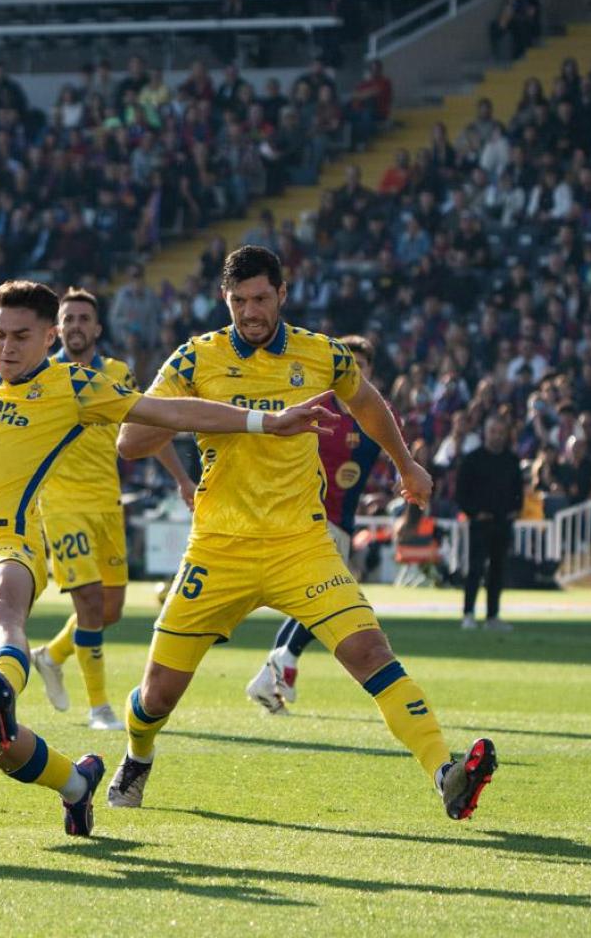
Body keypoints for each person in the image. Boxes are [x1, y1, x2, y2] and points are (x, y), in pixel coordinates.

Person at [0, 279, 331, 837]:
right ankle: (75, 782)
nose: (7, 347)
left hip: (12, 541)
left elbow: (166, 412)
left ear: (49, 337)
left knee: (3, 609)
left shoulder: (75, 386)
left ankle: (2, 677)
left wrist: (264, 420)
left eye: (22, 336)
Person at [113, 246, 496, 821]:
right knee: (157, 696)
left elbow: (367, 404)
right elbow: (130, 441)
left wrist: (406, 463)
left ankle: (445, 771)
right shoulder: (195, 360)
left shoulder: (322, 354)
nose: (250, 312)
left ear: (283, 295)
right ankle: (137, 756)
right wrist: (201, 412)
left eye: (261, 299)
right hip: (220, 549)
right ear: (225, 300)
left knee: (370, 650)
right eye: (239, 301)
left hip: (302, 545)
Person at [234, 334, 388, 712]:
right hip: (313, 518)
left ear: (370, 373)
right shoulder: (314, 408)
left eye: (361, 367)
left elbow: (385, 450)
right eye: (348, 366)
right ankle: (283, 661)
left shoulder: (373, 413)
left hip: (344, 522)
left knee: (315, 603)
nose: (354, 373)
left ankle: (271, 675)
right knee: (334, 598)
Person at [28, 288, 135, 731]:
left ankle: (51, 656)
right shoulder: (41, 378)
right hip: (62, 504)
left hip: (107, 504)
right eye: (67, 318)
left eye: (83, 318)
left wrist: (184, 480)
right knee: (89, 604)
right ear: (56, 329)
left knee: (110, 611)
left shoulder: (117, 373)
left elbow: (142, 420)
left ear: (96, 328)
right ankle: (100, 708)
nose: (75, 325)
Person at [457, 415, 523, 631]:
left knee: (498, 570)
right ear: (486, 433)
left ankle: (492, 616)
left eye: (501, 432)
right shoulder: (472, 459)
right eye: (493, 431)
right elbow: (461, 493)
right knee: (475, 569)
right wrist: (475, 513)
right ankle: (468, 613)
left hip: (503, 523)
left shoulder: (511, 460)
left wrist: (514, 510)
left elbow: (518, 491)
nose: (497, 436)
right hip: (480, 524)